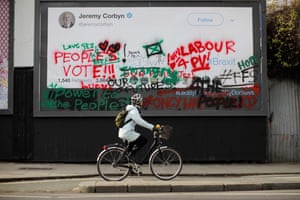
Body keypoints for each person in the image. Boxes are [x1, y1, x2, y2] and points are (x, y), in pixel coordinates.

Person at [118, 93, 159, 161]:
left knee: (132, 145)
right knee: (143, 140)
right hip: (127, 133)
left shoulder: (132, 110)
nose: (142, 103)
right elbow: (140, 122)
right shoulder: (133, 111)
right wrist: (152, 127)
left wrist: (152, 127)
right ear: (138, 102)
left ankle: (131, 165)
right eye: (141, 101)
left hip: (126, 132)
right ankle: (130, 155)